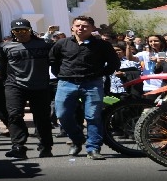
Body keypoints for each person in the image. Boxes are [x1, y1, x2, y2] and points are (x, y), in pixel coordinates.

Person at [49, 15, 120, 160]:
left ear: (93, 28)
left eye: (85, 26)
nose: (81, 28)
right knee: (62, 114)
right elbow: (53, 61)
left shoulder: (102, 45)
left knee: (93, 116)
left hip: (92, 84)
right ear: (72, 27)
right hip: (66, 83)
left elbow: (114, 63)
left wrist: (100, 74)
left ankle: (93, 148)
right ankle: (77, 138)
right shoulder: (61, 43)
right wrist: (61, 75)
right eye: (78, 25)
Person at [0, 18, 53, 159]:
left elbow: (55, 61)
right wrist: (6, 83)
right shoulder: (5, 47)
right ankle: (18, 146)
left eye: (24, 30)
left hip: (40, 85)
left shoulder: (45, 45)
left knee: (42, 117)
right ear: (12, 32)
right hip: (15, 85)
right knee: (14, 115)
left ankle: (46, 146)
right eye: (17, 31)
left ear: (30, 31)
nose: (21, 33)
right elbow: (2, 68)